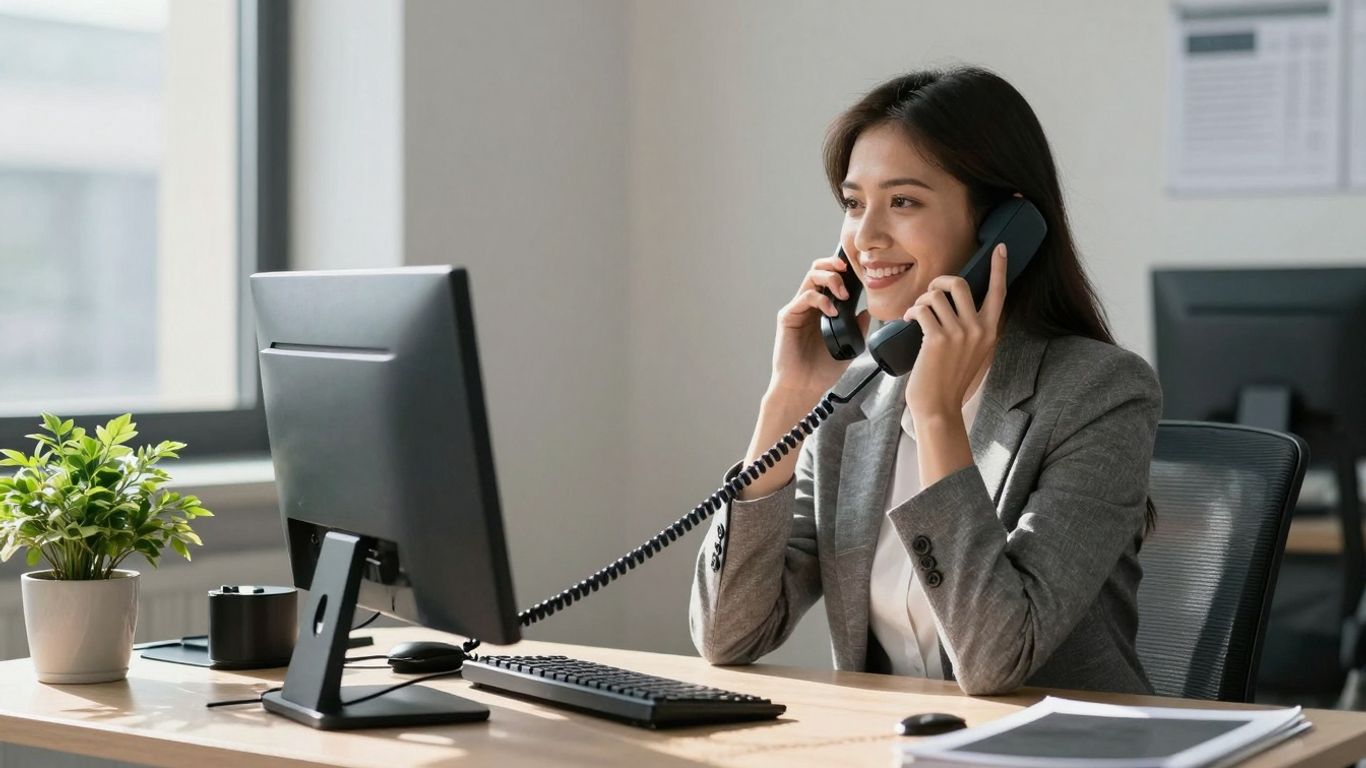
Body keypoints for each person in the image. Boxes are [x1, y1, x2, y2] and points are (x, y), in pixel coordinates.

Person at [689, 66, 1161, 696]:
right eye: (855, 204)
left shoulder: (1100, 394)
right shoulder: (853, 400)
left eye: (903, 201)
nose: (866, 239)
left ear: (1003, 231)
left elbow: (996, 658)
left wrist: (937, 416)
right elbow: (728, 635)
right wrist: (788, 402)